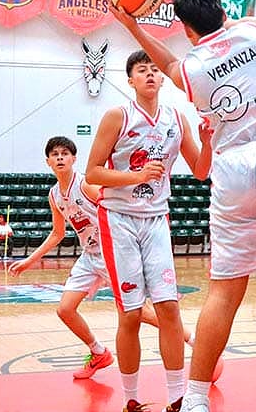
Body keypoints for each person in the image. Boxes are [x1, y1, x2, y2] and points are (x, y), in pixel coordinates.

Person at [112, 0, 256, 412]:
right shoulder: (253, 31)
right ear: (220, 10)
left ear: (186, 30)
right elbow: (216, 18)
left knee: (225, 291)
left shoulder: (190, 67)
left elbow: (167, 61)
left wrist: (132, 25)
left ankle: (195, 398)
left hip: (233, 169)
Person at [8, 136, 219, 384]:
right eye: (55, 155)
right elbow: (57, 234)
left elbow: (117, 206)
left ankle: (193, 341)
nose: (60, 158)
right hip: (89, 256)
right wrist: (28, 261)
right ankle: (99, 353)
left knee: (141, 313)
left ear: (74, 159)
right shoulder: (54, 196)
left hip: (113, 252)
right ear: (48, 162)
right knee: (65, 309)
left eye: (65, 153)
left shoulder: (85, 185)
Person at [85, 51, 213, 412]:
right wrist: (136, 177)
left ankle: (177, 397)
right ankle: (131, 399)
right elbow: (93, 172)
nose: (151, 75)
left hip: (157, 218)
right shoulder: (118, 116)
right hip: (119, 218)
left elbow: (201, 171)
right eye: (142, 71)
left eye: (155, 70)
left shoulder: (176, 118)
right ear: (131, 80)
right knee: (129, 314)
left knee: (169, 310)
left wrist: (209, 141)